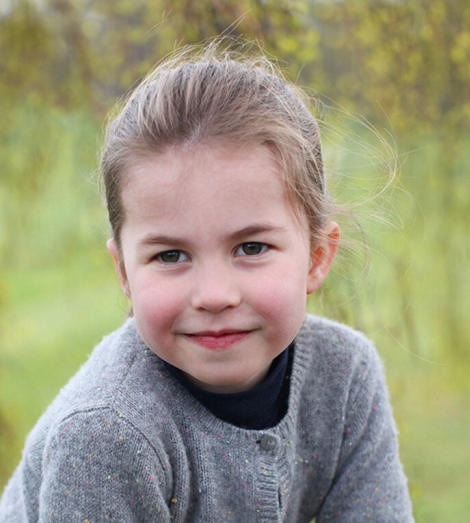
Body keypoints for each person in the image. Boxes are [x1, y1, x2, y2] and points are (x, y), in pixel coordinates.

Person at [0, 42, 413, 521]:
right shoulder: (106, 435)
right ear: (124, 274)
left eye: (251, 248)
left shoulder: (345, 377)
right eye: (170, 255)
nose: (215, 295)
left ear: (318, 257)